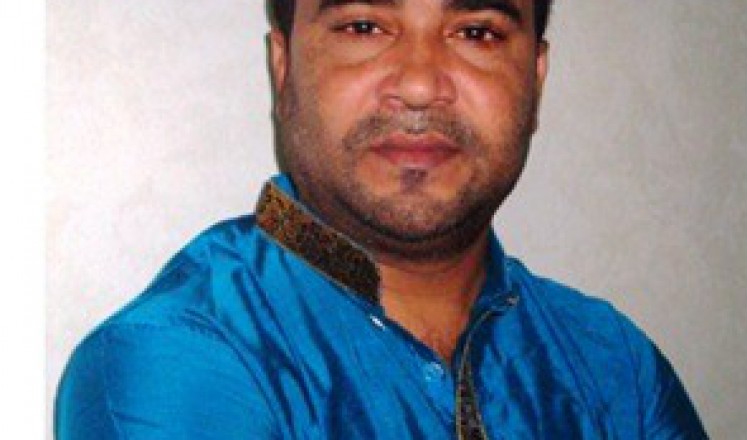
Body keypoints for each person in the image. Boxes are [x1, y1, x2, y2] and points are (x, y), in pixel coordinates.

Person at [55, 0, 708, 438]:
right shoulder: (177, 359)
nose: (420, 84)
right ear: (283, 68)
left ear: (535, 80)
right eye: (364, 26)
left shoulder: (615, 363)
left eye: (476, 32)